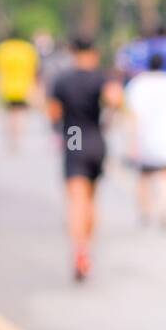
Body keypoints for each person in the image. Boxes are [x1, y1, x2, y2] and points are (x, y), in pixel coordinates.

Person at [47, 36, 124, 281]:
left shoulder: (62, 80)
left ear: (73, 52)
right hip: (95, 138)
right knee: (92, 198)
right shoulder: (102, 78)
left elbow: (53, 113)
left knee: (76, 200)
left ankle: (79, 250)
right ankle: (87, 247)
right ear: (94, 53)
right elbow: (116, 100)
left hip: (74, 138)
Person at [125, 52, 166, 230]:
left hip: (144, 137)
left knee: (144, 176)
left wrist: (131, 141)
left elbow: (132, 114)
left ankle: (145, 211)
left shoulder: (138, 84)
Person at [0, 31, 40, 152]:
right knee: (20, 114)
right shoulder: (28, 49)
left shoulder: (2, 49)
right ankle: (18, 136)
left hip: (7, 87)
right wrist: (35, 89)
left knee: (10, 114)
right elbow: (34, 70)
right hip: (23, 87)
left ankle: (11, 137)